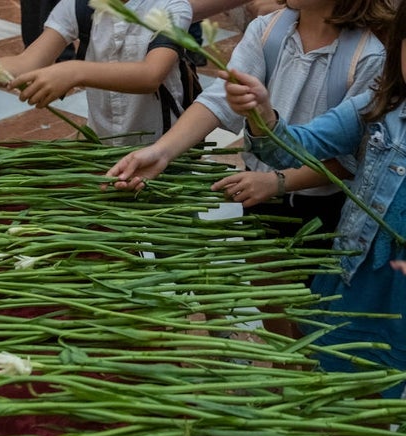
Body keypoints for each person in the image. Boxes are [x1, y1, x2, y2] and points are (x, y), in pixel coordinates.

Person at [220, 0, 406, 436]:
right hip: (356, 273)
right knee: (340, 372)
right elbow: (296, 146)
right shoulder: (379, 104)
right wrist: (263, 116)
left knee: (377, 396)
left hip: (399, 296)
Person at [107, 0, 391, 338]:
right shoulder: (269, 30)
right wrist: (162, 152)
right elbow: (220, 100)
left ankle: (302, 369)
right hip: (259, 198)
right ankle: (284, 363)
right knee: (268, 294)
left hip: (323, 209)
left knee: (309, 310)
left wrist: (279, 181)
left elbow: (354, 160)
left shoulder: (369, 57)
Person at [0, 0, 193, 146]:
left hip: (165, 147)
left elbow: (150, 75)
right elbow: (28, 62)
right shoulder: (76, 6)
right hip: (102, 142)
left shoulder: (171, 7)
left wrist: (75, 70)